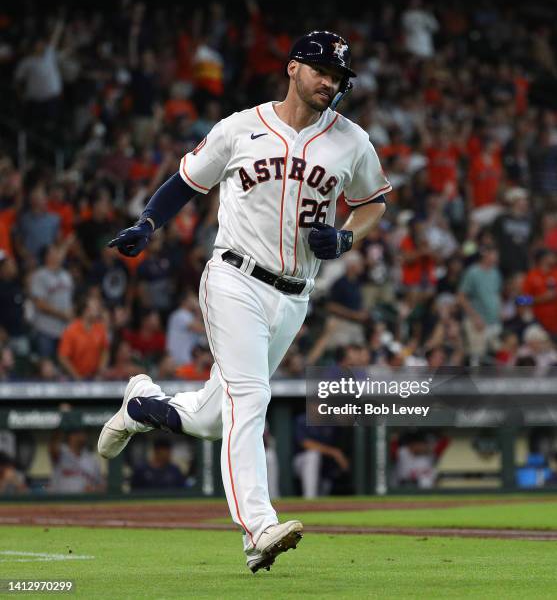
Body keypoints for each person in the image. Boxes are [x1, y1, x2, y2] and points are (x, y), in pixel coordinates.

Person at [98, 30, 390, 573]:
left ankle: (141, 405)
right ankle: (258, 528)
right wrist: (148, 222)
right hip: (234, 279)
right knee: (250, 399)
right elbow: (187, 182)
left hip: (295, 297)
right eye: (323, 70)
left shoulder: (352, 141)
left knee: (216, 417)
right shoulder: (240, 127)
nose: (331, 82)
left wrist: (348, 236)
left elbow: (373, 201)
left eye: (340, 77)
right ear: (293, 68)